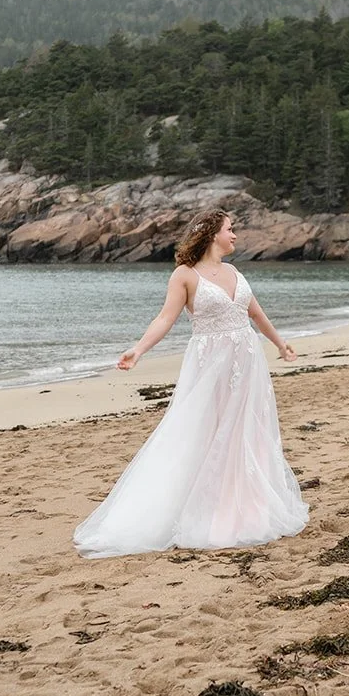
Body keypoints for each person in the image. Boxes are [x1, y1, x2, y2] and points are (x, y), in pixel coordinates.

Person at [74, 208, 309, 557]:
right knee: (207, 430)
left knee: (246, 431)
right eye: (231, 229)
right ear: (212, 233)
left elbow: (255, 313)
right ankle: (202, 509)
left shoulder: (233, 270)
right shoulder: (184, 275)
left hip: (246, 362)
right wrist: (138, 350)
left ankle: (247, 506)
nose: (235, 235)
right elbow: (165, 318)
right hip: (210, 365)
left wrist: (279, 343)